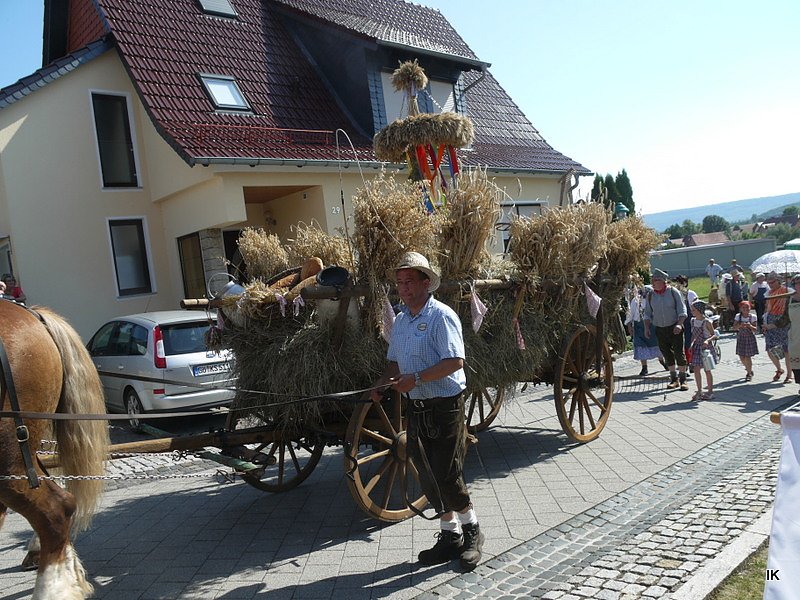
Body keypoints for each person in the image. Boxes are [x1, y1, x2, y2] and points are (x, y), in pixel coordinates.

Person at [370, 251, 483, 571]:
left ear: (425, 282)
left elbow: (455, 362)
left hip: (445, 404)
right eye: (399, 282)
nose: (403, 287)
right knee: (426, 472)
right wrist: (381, 383)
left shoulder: (441, 316)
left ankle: (472, 530)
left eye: (409, 281)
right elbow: (395, 362)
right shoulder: (402, 320)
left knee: (447, 472)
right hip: (416, 406)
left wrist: (416, 377)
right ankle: (450, 535)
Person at [644, 269, 689, 391]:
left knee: (679, 353)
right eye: (652, 281)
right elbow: (647, 313)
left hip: (675, 327)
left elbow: (682, 310)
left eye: (655, 281)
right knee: (667, 354)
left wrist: (679, 324)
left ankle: (683, 380)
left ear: (663, 281)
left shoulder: (673, 292)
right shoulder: (650, 295)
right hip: (660, 329)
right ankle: (674, 379)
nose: (653, 283)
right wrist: (647, 327)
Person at [625, 284, 665, 376]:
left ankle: (662, 361)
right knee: (640, 346)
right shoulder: (635, 301)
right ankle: (644, 368)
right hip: (639, 327)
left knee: (657, 345)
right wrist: (629, 325)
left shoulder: (655, 301)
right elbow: (630, 314)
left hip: (653, 327)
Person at [763, 271, 792, 383]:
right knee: (769, 348)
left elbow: (787, 311)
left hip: (783, 322)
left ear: (778, 281)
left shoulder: (786, 291)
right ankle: (779, 369)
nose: (770, 284)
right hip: (770, 319)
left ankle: (789, 375)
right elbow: (767, 308)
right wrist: (765, 321)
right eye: (768, 282)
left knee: (786, 349)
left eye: (772, 282)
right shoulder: (769, 293)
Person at [688, 300, 717, 400]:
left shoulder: (707, 322)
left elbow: (714, 335)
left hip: (705, 348)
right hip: (697, 347)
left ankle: (710, 391)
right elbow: (694, 335)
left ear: (700, 310)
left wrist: (707, 340)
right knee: (696, 369)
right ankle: (699, 391)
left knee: (707, 370)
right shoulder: (693, 321)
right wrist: (691, 344)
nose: (692, 311)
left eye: (694, 310)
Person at [673, 275, 698, 369]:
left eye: (678, 282)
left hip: (688, 321)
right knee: (678, 343)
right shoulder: (674, 294)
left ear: (684, 283)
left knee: (688, 342)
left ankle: (690, 362)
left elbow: (696, 307)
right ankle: (682, 363)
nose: (676, 285)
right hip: (677, 321)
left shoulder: (690, 294)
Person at [733, 300, 758, 381]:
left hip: (749, 338)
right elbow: (734, 327)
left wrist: (750, 326)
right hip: (741, 337)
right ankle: (748, 369)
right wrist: (740, 325)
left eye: (747, 307)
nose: (746, 309)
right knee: (741, 356)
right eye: (744, 307)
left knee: (747, 356)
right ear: (740, 309)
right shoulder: (738, 316)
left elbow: (755, 329)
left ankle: (749, 373)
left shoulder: (753, 317)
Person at [786, 275, 800, 392]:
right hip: (795, 335)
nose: (798, 286)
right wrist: (771, 325)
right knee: (796, 362)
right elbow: (785, 318)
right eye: (796, 284)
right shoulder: (789, 299)